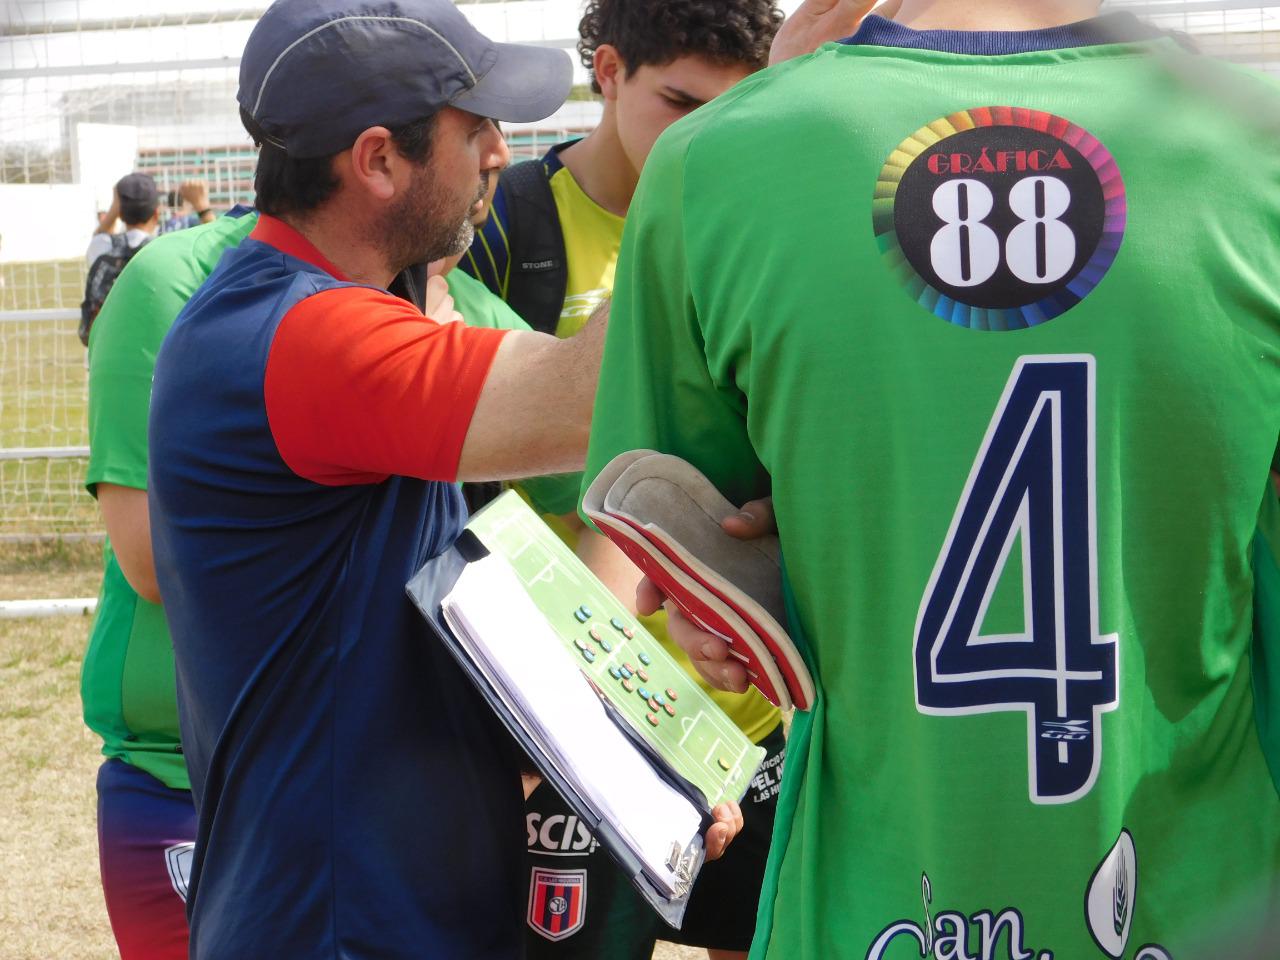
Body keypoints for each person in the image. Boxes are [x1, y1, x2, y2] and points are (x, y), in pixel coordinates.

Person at [583, 0, 1280, 958]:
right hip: (1209, 900)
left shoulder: (716, 162)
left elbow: (683, 556)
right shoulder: (1255, 140)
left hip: (876, 910)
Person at [145, 2, 740, 958]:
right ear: (377, 161)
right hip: (341, 926)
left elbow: (438, 610)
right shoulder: (304, 341)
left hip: (377, 907)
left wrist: (644, 753)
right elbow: (600, 387)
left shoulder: (306, 318)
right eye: (477, 129)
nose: (503, 153)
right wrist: (739, 146)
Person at [463, 3, 786, 955]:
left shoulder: (758, 220)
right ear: (606, 72)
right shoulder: (510, 222)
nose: (702, 135)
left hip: (745, 703)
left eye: (733, 108)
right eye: (679, 102)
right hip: (578, 712)